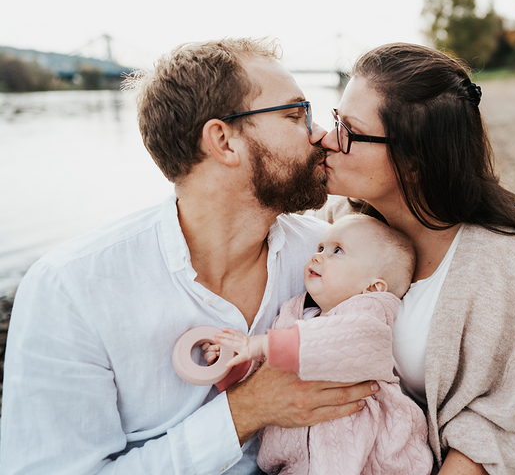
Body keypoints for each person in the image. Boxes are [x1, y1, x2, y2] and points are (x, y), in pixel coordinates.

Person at [0, 38, 378, 474]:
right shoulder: (70, 289)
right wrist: (244, 412)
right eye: (296, 115)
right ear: (224, 141)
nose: (318, 134)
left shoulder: (323, 254)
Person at [316, 42, 515, 475]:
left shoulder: (495, 261)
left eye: (348, 130)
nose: (325, 139)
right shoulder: (340, 223)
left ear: (413, 162)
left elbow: (495, 420)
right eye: (335, 119)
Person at [206, 213, 432, 474]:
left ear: (372, 288)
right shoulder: (296, 315)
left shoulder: (370, 324)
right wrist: (236, 362)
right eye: (320, 248)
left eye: (337, 251)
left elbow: (335, 343)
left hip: (369, 463)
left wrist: (259, 344)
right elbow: (267, 374)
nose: (318, 256)